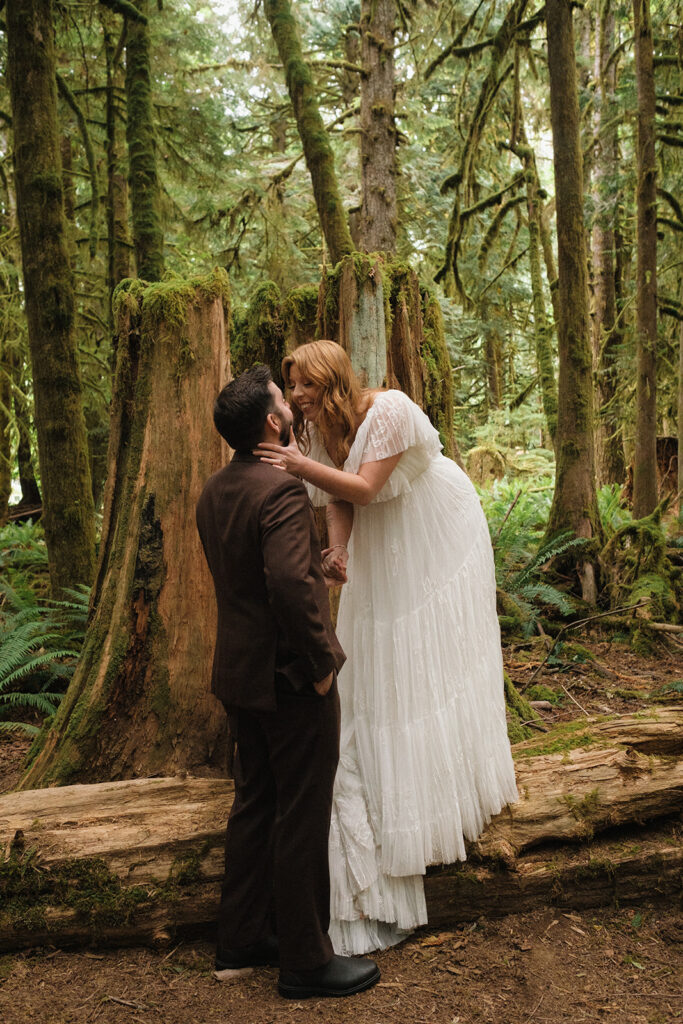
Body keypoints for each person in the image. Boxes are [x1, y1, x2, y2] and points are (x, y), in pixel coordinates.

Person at [256, 340, 518, 956]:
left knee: (427, 653)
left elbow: (367, 487)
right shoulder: (319, 431)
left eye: (304, 386)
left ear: (331, 380)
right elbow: (341, 501)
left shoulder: (392, 409)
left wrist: (295, 465)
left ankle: (443, 790)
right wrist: (339, 549)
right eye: (291, 388)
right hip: (382, 544)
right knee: (375, 665)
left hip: (438, 533)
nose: (297, 398)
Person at [196, 364, 380, 998]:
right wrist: (321, 663)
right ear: (273, 422)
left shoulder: (216, 489)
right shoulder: (278, 492)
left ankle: (241, 940)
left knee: (256, 805)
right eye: (284, 398)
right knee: (302, 813)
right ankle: (305, 960)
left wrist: (315, 559)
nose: (291, 401)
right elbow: (286, 587)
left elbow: (252, 578)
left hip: (240, 674)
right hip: (290, 678)